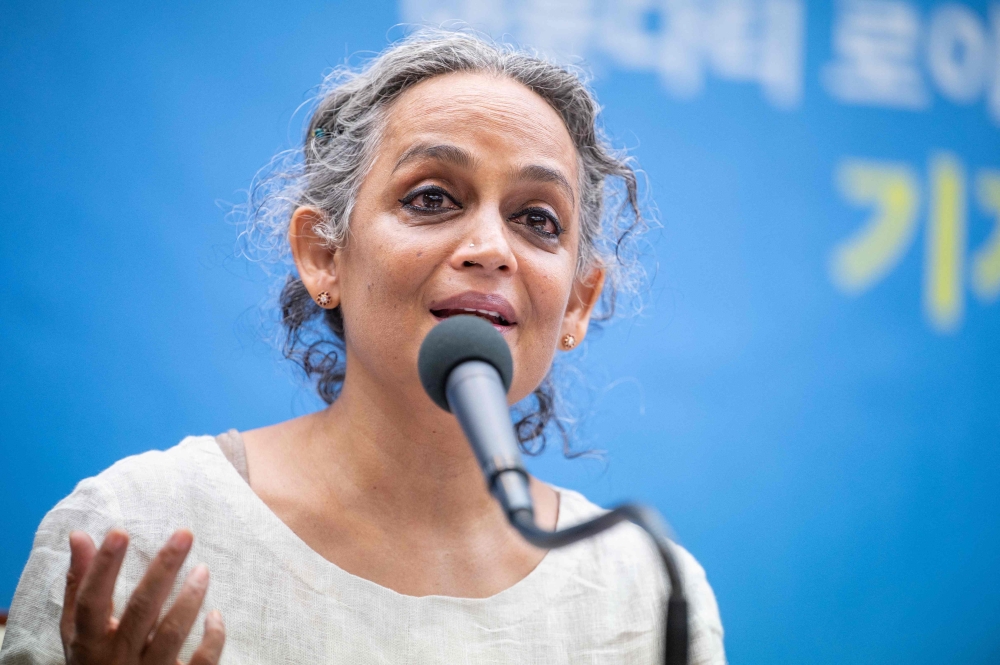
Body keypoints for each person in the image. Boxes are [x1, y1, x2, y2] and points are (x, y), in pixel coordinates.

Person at [0, 31, 726, 664]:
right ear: (323, 254)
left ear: (576, 302)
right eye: (432, 198)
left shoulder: (645, 591)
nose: (489, 249)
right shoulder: (138, 529)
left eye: (537, 218)